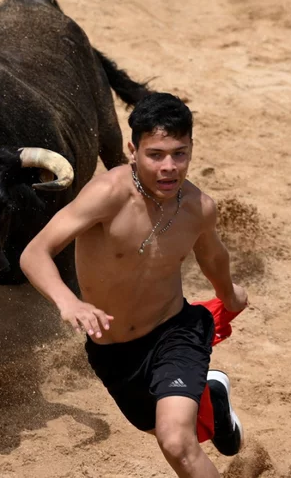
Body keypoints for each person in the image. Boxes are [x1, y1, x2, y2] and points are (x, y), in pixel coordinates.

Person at [20, 92, 248, 477]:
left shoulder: (198, 208)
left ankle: (203, 395)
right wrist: (68, 302)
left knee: (176, 442)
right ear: (132, 150)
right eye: (156, 154)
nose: (169, 167)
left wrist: (230, 295)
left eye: (180, 153)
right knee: (152, 425)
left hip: (175, 332)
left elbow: (213, 257)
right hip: (112, 350)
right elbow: (34, 253)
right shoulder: (106, 195)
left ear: (191, 149)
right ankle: (213, 397)